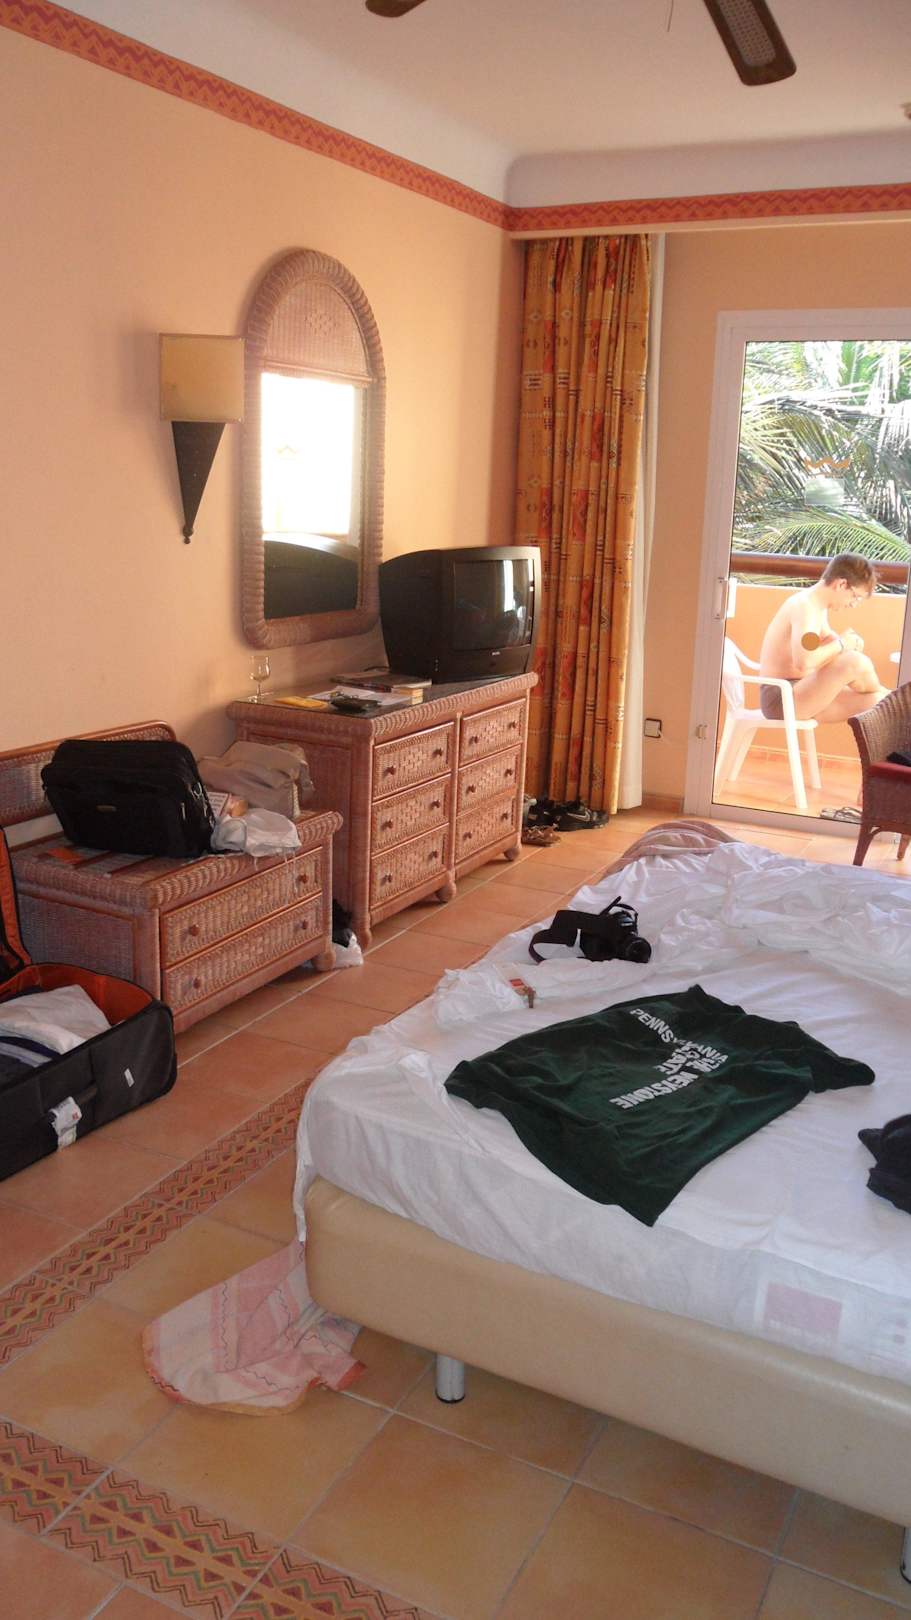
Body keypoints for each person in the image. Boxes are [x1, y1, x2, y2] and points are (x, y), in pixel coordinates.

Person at [758, 553, 889, 723]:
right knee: (855, 662)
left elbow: (825, 642)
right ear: (841, 584)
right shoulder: (805, 607)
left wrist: (846, 644)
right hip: (781, 698)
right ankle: (891, 696)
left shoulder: (816, 606)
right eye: (855, 596)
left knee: (877, 702)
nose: (853, 604)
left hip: (800, 691)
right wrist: (842, 644)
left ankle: (887, 695)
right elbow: (805, 661)